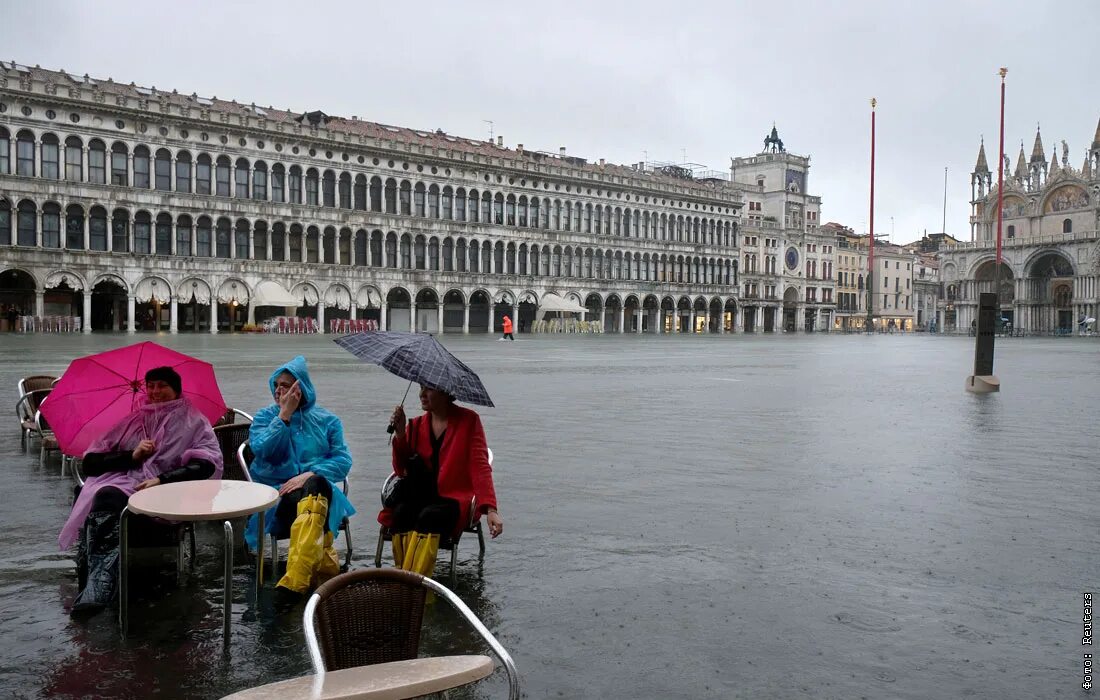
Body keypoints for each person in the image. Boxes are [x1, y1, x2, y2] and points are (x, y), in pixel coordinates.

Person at [58, 367, 223, 615]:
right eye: (151, 386)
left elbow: (207, 463)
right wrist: (132, 456)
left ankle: (96, 584)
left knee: (104, 500)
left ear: (176, 389)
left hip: (170, 494)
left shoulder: (194, 421)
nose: (155, 391)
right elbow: (91, 464)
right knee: (102, 495)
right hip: (127, 487)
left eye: (162, 386)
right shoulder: (133, 421)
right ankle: (97, 581)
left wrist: (161, 479)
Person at [248, 356, 354, 597]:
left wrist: (309, 473)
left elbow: (343, 461)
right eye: (276, 385)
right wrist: (283, 416)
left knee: (315, 483)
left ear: (301, 387)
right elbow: (262, 451)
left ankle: (296, 580)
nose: (279, 390)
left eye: (285, 385)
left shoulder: (328, 421)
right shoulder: (265, 418)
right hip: (278, 497)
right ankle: (322, 566)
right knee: (316, 493)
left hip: (320, 492)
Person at [381, 384, 502, 578]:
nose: (422, 394)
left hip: (453, 499)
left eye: (429, 389)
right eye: (421, 388)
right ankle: (401, 577)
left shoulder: (469, 421)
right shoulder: (416, 424)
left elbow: (480, 466)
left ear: (445, 392)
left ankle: (417, 585)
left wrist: (490, 509)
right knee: (401, 513)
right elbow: (400, 469)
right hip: (421, 494)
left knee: (429, 516)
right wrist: (400, 433)